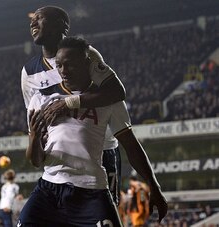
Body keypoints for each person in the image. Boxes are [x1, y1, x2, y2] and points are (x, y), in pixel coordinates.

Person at [18, 37, 167, 226]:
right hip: (49, 190)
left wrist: (154, 186)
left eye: (70, 65)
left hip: (91, 189)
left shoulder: (108, 101)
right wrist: (34, 138)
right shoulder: (41, 100)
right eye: (60, 65)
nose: (63, 71)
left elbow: (131, 146)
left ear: (88, 63)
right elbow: (36, 161)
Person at [21, 5, 124, 206]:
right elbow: (34, 118)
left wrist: (69, 103)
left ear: (62, 25)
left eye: (40, 18)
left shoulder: (86, 54)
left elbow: (116, 92)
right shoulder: (29, 72)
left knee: (104, 214)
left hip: (100, 150)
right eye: (32, 19)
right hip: (60, 158)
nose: (33, 22)